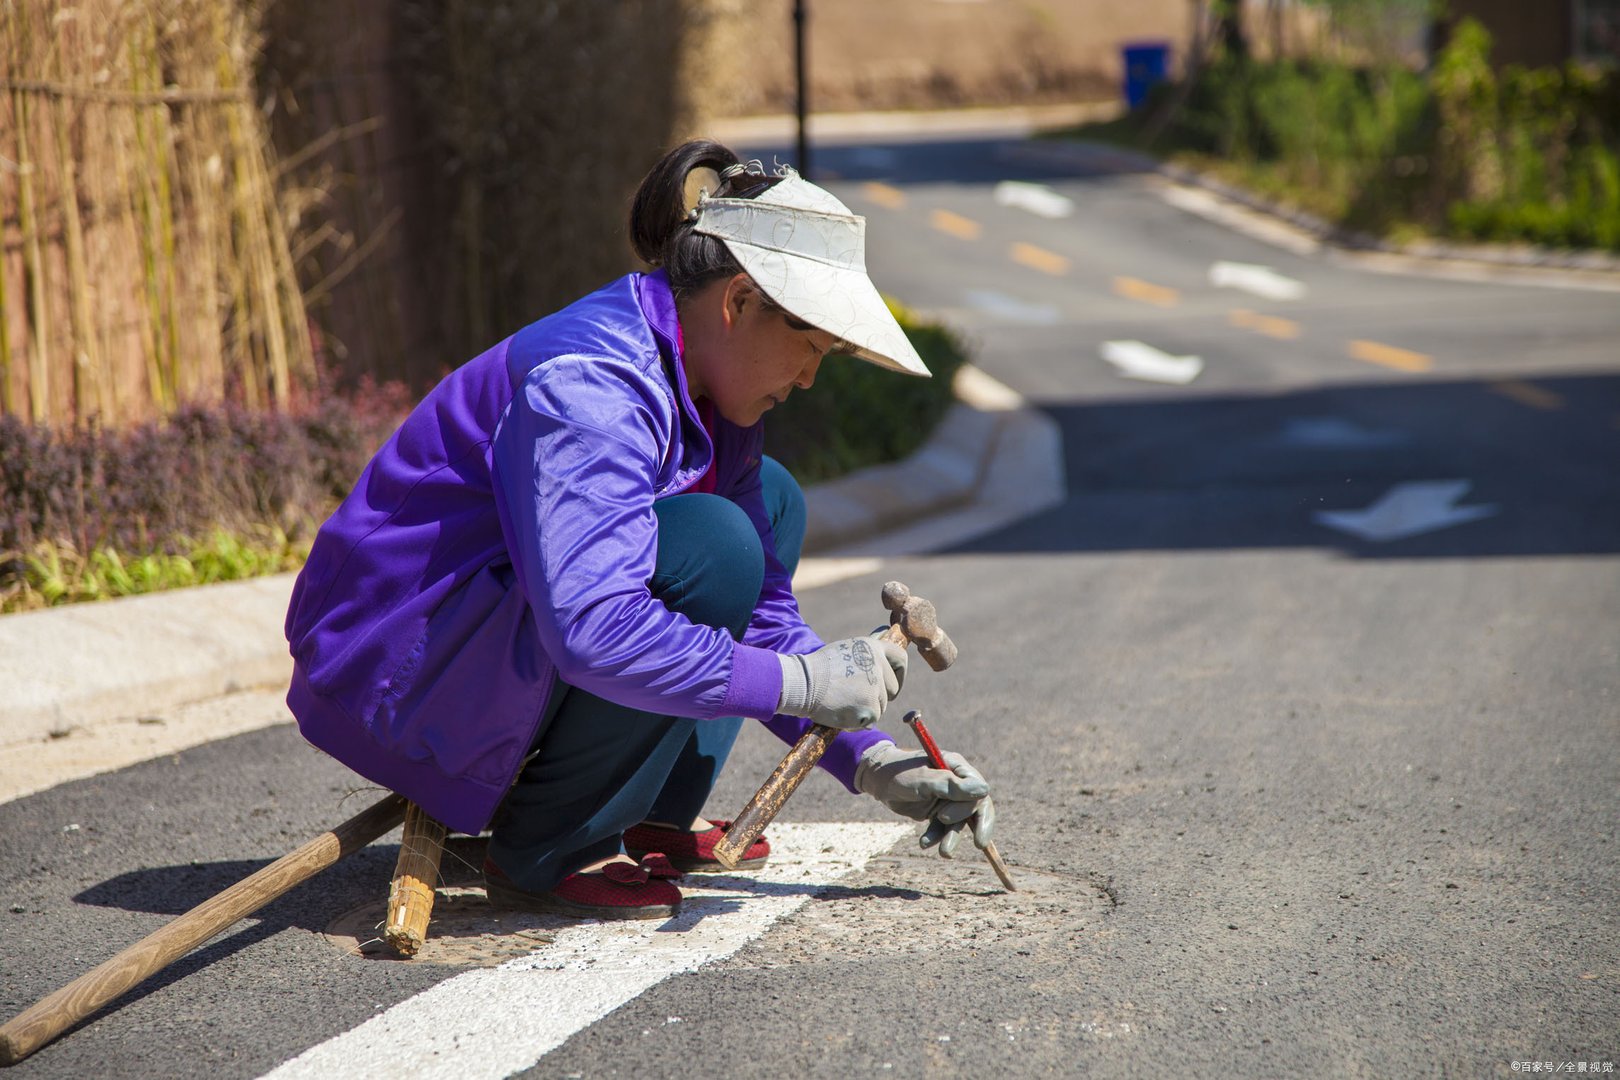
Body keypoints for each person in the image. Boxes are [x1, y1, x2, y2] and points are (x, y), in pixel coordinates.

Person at [284, 139, 995, 920]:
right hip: (400, 667)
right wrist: (806, 683)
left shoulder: (714, 391)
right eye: (810, 347)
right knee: (717, 542)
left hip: (492, 636)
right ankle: (551, 847)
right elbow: (596, 628)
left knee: (772, 506)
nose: (808, 378)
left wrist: (873, 761)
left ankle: (650, 805)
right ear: (739, 303)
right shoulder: (593, 383)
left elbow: (760, 615)